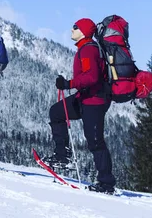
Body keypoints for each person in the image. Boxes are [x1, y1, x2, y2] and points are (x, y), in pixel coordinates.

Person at [45, 18, 116, 194]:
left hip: (95, 101)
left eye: (75, 27)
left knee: (95, 141)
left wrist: (68, 84)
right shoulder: (85, 49)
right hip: (84, 98)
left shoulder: (88, 50)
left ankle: (106, 183)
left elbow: (92, 78)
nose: (71, 30)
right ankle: (62, 156)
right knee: (56, 112)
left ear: (83, 31)